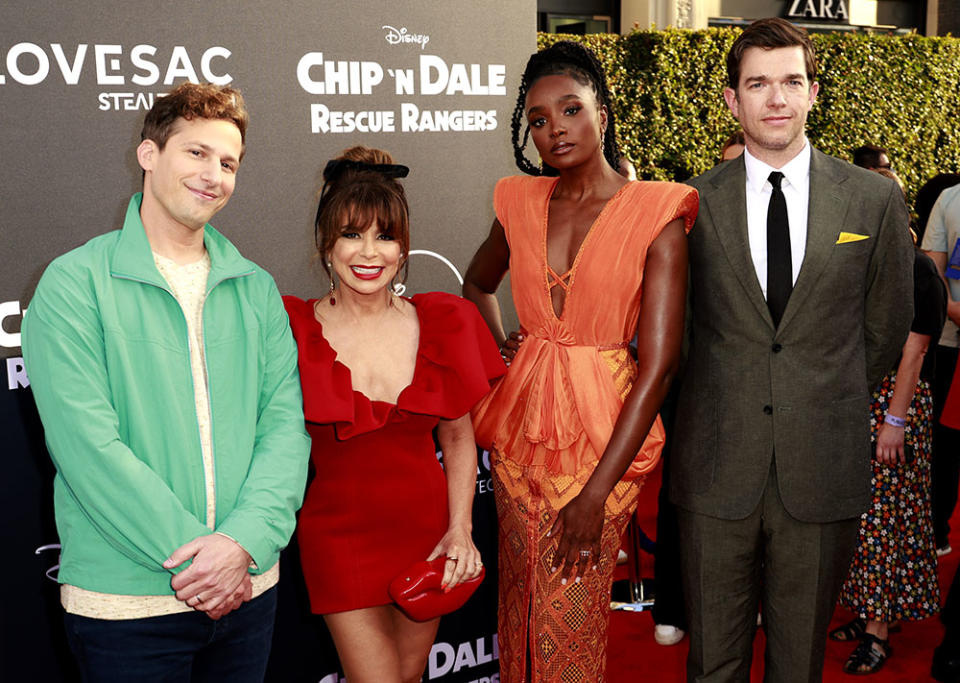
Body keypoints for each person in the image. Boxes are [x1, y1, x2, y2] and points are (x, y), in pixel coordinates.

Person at [20, 82, 311, 682]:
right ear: (149, 154)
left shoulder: (255, 288)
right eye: (197, 153)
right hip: (128, 605)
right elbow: (88, 448)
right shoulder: (74, 284)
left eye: (228, 163)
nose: (214, 175)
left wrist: (241, 546)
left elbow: (284, 430)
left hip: (247, 589)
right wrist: (200, 560)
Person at [670, 17, 914, 682]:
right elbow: (677, 339)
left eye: (791, 82)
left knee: (799, 664)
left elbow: (886, 324)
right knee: (711, 664)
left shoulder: (871, 202)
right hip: (715, 467)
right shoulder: (688, 203)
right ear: (732, 100)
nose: (776, 98)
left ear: (813, 94)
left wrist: (821, 390)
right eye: (758, 84)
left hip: (821, 464)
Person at [465, 41, 697, 681]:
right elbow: (476, 284)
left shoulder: (657, 213)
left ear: (602, 109)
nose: (554, 128)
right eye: (538, 119)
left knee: (573, 606)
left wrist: (596, 493)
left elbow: (659, 365)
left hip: (604, 436)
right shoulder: (517, 201)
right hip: (520, 430)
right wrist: (503, 344)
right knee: (520, 599)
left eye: (570, 109)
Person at [283, 146, 503, 683]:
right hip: (338, 537)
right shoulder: (291, 328)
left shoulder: (442, 321)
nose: (369, 252)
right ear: (325, 245)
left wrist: (460, 529)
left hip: (425, 534)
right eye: (351, 235)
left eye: (385, 236)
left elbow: (457, 439)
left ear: (403, 248)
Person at [832, 172, 945, 674]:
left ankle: (879, 633)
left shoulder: (918, 269)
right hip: (860, 401)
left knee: (884, 520)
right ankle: (869, 611)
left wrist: (893, 420)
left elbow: (915, 351)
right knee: (860, 515)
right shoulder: (863, 258)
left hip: (896, 406)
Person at [921, 181, 960, 557]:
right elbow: (931, 267)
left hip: (949, 334)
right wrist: (951, 308)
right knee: (945, 443)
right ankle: (936, 531)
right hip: (949, 341)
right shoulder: (949, 199)